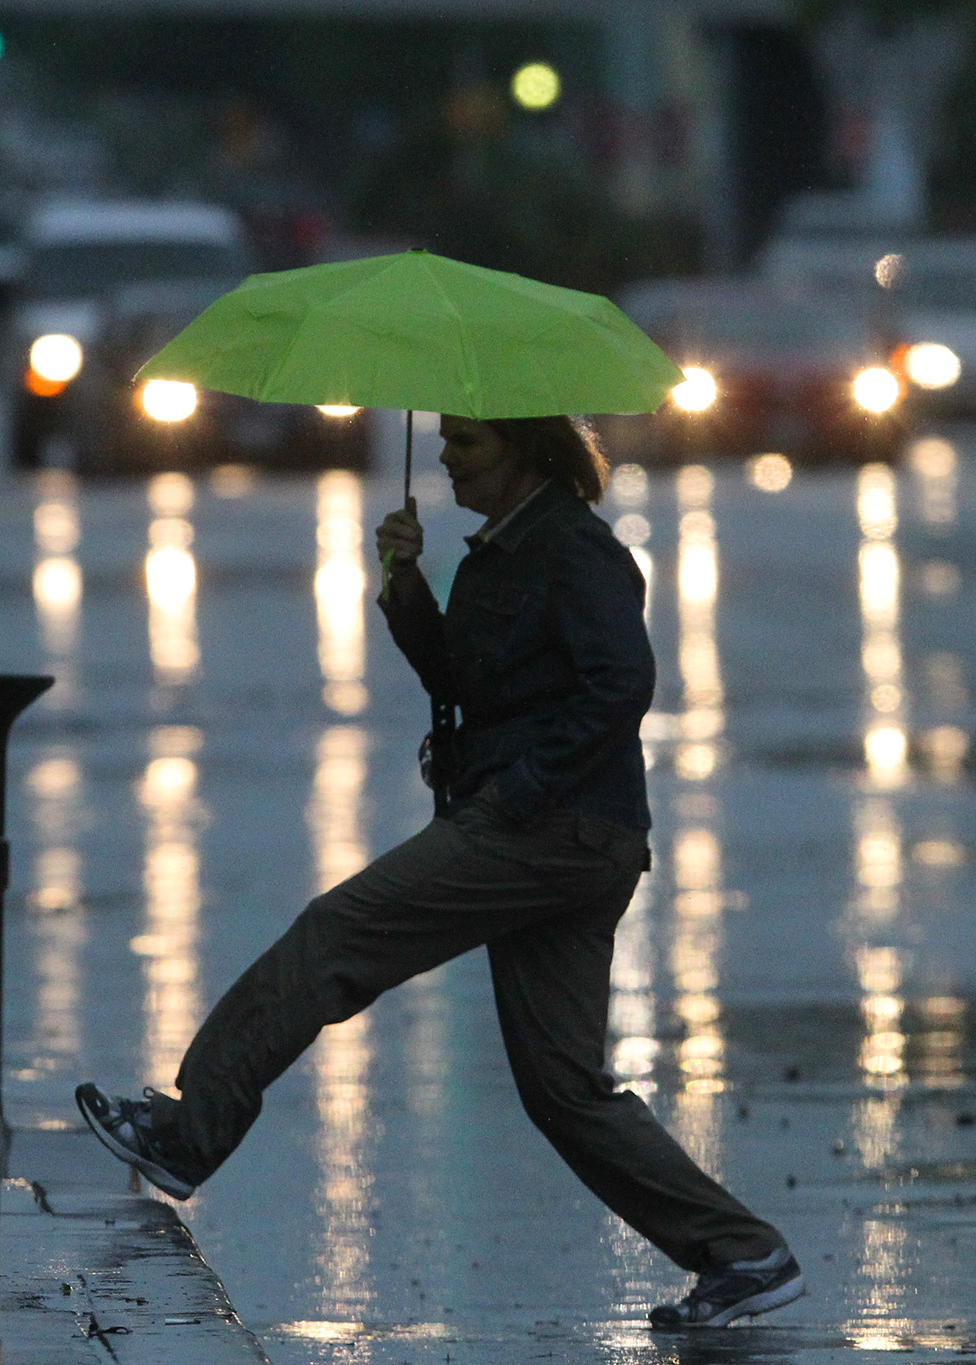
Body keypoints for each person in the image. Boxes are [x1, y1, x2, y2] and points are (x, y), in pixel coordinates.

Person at [76, 413, 803, 1329]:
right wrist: (404, 583)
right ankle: (744, 1255)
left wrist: (523, 792)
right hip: (566, 834)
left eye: (470, 444)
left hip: (547, 831)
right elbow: (463, 681)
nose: (451, 459)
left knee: (336, 937)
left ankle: (190, 1130)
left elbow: (623, 683)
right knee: (564, 1091)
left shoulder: (573, 547)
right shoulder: (505, 548)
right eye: (449, 441)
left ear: (527, 451)